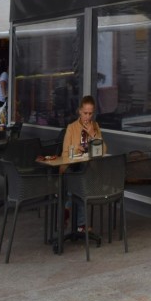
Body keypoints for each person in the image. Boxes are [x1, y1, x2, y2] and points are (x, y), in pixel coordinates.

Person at [61, 95, 106, 235]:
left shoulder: (95, 126)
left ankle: (67, 209)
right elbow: (65, 153)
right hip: (73, 167)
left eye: (90, 113)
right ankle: (81, 224)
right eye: (85, 113)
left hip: (89, 169)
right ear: (79, 111)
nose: (87, 116)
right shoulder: (72, 128)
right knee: (78, 178)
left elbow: (103, 150)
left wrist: (93, 135)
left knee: (79, 180)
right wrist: (76, 148)